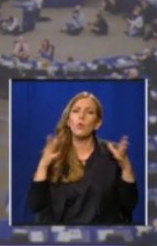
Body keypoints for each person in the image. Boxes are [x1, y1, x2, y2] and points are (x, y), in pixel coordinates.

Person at [27, 92, 137, 224]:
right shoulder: (54, 154)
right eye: (76, 111)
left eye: (89, 112)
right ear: (68, 121)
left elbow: (129, 204)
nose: (81, 116)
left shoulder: (113, 154)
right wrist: (43, 165)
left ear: (97, 123)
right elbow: (35, 205)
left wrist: (126, 166)